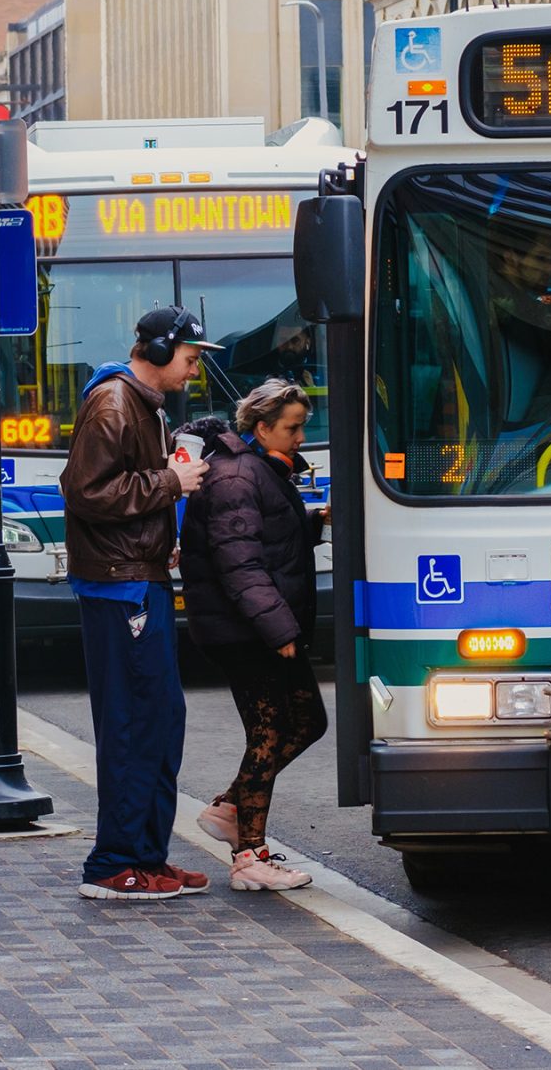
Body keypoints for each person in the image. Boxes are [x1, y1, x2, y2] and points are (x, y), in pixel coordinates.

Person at [58, 306, 216, 903]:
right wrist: (172, 484)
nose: (194, 370)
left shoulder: (140, 406)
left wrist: (158, 533)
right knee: (134, 724)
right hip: (121, 588)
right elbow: (87, 491)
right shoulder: (115, 404)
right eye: (190, 358)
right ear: (156, 351)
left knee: (158, 720)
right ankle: (114, 863)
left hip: (137, 578)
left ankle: (146, 857)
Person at [182, 380, 326, 892]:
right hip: (244, 629)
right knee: (268, 731)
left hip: (255, 624)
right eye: (293, 427)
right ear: (262, 427)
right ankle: (250, 856)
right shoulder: (238, 475)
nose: (301, 437)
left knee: (307, 720)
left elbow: (260, 537)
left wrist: (309, 521)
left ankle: (229, 808)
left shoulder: (255, 469)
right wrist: (279, 628)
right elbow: (238, 561)